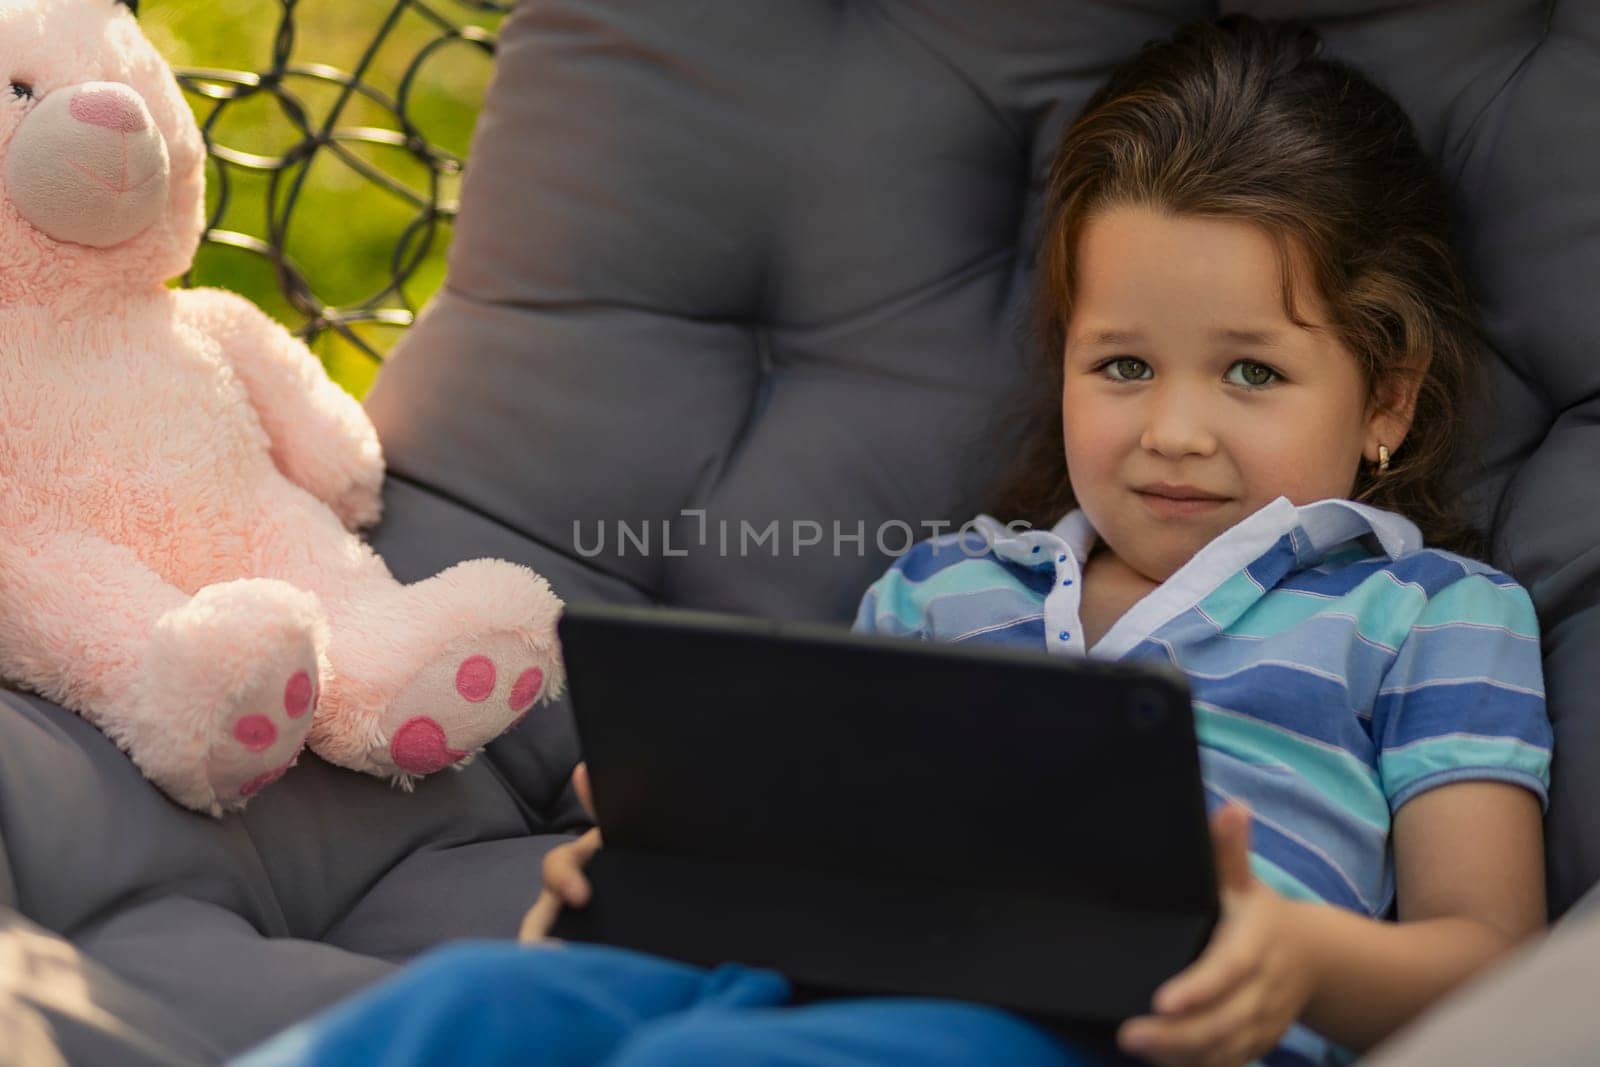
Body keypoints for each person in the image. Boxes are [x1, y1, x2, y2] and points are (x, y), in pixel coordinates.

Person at [235, 14, 1553, 1067]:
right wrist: (665, 872)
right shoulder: (948, 586)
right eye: (1125, 365)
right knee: (478, 1006)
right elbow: (818, 857)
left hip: (1127, 1033)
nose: (1177, 434)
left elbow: (1496, 960)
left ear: (1385, 392)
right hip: (814, 977)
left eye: (1253, 374)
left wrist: (1295, 959)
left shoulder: (1427, 610)